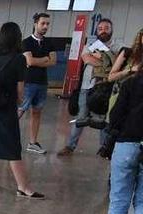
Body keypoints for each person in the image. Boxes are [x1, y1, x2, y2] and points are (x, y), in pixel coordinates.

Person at [0, 22, 44, 199]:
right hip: (5, 107)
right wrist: (19, 102)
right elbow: (20, 91)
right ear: (17, 37)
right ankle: (23, 187)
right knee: (12, 147)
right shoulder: (19, 59)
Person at [98, 70, 143, 214]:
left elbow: (115, 116)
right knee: (142, 199)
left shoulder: (131, 83)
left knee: (119, 199)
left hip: (127, 145)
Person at [58, 18, 115, 156]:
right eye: (100, 28)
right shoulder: (90, 44)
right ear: (96, 30)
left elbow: (116, 61)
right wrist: (105, 60)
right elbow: (87, 58)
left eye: (106, 28)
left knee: (103, 118)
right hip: (86, 86)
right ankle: (70, 146)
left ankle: (104, 148)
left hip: (106, 88)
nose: (103, 31)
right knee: (81, 116)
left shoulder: (117, 45)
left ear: (111, 30)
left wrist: (103, 59)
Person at [20, 13, 56, 155]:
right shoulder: (26, 42)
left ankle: (33, 142)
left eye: (47, 24)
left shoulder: (49, 43)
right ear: (36, 24)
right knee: (21, 109)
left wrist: (38, 60)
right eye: (43, 23)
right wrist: (45, 59)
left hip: (42, 82)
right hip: (28, 82)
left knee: (37, 112)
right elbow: (30, 61)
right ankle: (5, 137)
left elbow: (53, 61)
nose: (45, 26)